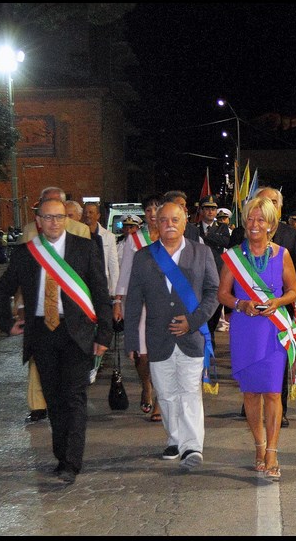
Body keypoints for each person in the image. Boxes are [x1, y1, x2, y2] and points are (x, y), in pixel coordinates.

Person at [0, 198, 112, 484]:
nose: (54, 223)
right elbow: (2, 290)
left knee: (74, 397)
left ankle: (71, 462)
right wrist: (6, 324)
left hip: (77, 333)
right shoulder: (25, 254)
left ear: (67, 220)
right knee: (55, 400)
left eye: (59, 217)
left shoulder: (84, 248)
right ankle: (62, 456)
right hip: (42, 333)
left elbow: (100, 292)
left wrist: (104, 335)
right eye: (48, 217)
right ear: (38, 221)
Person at [124, 201, 219, 471]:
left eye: (175, 220)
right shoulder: (144, 256)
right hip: (158, 337)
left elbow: (212, 292)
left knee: (189, 391)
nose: (169, 225)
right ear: (155, 223)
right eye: (163, 220)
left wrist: (193, 321)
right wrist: (132, 339)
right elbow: (133, 300)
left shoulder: (202, 252)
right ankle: (174, 438)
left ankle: (192, 446)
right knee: (165, 393)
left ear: (185, 221)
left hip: (191, 336)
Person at [217, 196, 296, 480]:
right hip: (245, 329)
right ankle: (258, 444)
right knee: (251, 393)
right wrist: (241, 305)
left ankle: (273, 450)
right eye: (250, 219)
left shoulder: (282, 254)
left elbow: (294, 291)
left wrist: (277, 302)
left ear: (271, 225)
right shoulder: (233, 256)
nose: (254, 225)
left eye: (261, 220)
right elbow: (222, 294)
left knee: (274, 392)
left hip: (272, 329)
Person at [229, 186, 296, 428]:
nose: (268, 205)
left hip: (276, 318)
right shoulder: (239, 236)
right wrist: (236, 305)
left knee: (278, 366)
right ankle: (250, 402)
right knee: (251, 364)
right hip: (248, 317)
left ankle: (279, 408)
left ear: (279, 207)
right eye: (263, 201)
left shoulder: (289, 235)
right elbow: (231, 278)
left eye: (273, 201)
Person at [19, 187, 92, 423]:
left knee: (71, 367)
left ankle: (67, 402)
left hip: (70, 310)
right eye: (45, 205)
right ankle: (38, 404)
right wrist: (19, 304)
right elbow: (22, 274)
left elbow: (88, 273)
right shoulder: (29, 232)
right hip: (40, 312)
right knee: (36, 361)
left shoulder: (80, 231)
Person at [113, 195, 164, 422]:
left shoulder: (170, 234)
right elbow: (125, 270)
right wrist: (118, 301)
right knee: (141, 354)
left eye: (156, 208)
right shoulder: (135, 239)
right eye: (149, 209)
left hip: (164, 302)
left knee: (161, 352)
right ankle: (146, 386)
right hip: (139, 301)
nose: (153, 213)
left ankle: (160, 402)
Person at [82, 201, 119, 383]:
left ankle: (95, 364)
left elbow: (113, 266)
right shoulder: (78, 234)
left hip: (101, 289)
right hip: (82, 289)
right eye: (85, 212)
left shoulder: (108, 237)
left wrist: (115, 293)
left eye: (91, 212)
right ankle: (88, 363)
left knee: (100, 327)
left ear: (98, 216)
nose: (87, 215)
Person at [197, 194, 232, 337]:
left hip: (217, 270)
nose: (210, 211)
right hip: (199, 271)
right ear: (201, 210)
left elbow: (226, 242)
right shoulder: (194, 228)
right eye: (207, 208)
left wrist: (206, 235)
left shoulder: (222, 227)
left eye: (213, 208)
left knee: (216, 305)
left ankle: (210, 333)